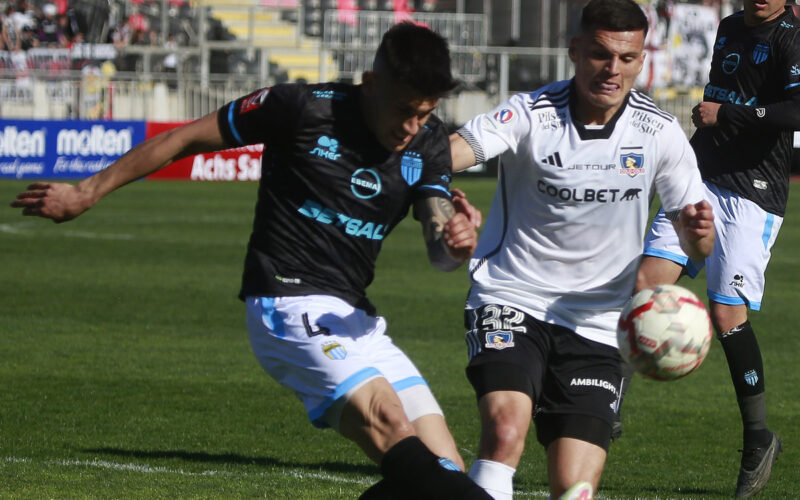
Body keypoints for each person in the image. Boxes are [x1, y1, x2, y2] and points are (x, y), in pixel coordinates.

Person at [11, 22, 491, 500]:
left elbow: (438, 240)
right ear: (370, 83)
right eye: (403, 111)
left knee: (441, 468)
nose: (412, 127)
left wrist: (454, 241)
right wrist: (86, 191)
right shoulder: (301, 108)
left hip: (355, 319)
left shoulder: (428, 144)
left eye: (424, 115)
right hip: (285, 301)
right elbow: (183, 139)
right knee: (388, 419)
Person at [448, 0, 715, 498]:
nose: (613, 70)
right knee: (505, 431)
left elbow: (699, 243)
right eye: (600, 54)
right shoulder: (530, 113)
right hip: (512, 297)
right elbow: (455, 151)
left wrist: (699, 231)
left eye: (628, 58)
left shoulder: (660, 133)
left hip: (598, 324)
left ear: (641, 60)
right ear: (575, 51)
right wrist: (409, 171)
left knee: (573, 486)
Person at [636, 0, 799, 497]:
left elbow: (795, 111)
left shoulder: (791, 37)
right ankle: (607, 402)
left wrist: (727, 112)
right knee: (643, 287)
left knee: (727, 316)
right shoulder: (729, 27)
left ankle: (757, 437)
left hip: (753, 192)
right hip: (699, 178)